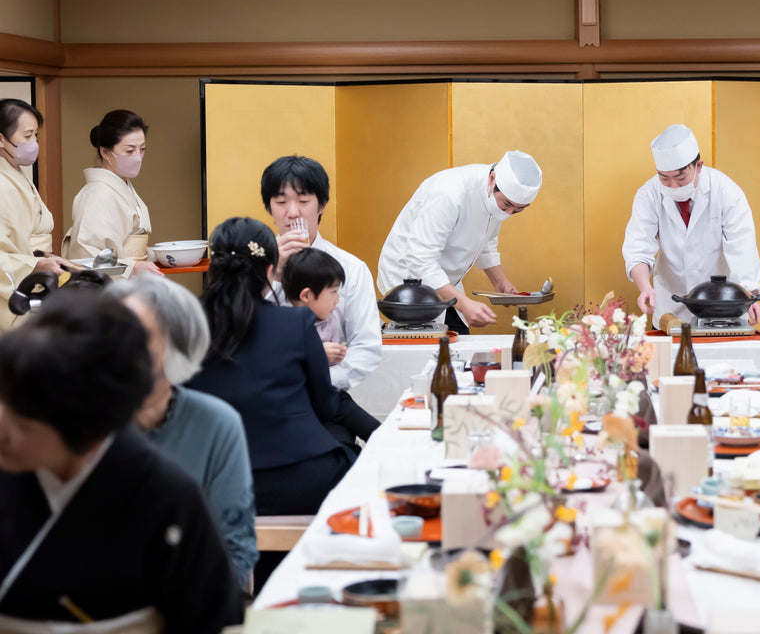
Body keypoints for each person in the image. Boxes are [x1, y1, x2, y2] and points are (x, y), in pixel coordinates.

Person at [0, 291, 243, 632]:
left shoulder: (167, 498)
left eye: (24, 424)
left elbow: (212, 621)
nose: (2, 429)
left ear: (89, 427)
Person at [187, 217, 354, 517]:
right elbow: (325, 406)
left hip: (213, 484)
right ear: (269, 271)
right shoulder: (295, 323)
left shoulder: (185, 325)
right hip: (300, 479)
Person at [107, 274, 257, 590]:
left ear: (176, 344)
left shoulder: (216, 425)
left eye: (142, 337)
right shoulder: (86, 422)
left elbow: (235, 547)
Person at [261, 155, 381, 447]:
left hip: (326, 402)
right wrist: (273, 273)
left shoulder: (350, 268)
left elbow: (366, 348)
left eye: (303, 201)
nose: (292, 213)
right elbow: (241, 334)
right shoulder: (254, 269)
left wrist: (317, 381)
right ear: (269, 208)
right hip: (265, 404)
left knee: (337, 449)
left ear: (322, 205)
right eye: (280, 202)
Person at [377, 150, 543, 334]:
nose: (509, 213)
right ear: (492, 179)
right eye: (506, 205)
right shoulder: (449, 193)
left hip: (444, 278)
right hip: (409, 277)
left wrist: (500, 282)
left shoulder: (495, 197)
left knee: (457, 336)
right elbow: (419, 259)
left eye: (518, 210)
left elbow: (486, 241)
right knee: (433, 345)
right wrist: (463, 304)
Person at [622, 123, 760, 327]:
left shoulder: (726, 192)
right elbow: (637, 247)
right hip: (670, 310)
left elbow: (742, 248)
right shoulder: (649, 194)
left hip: (722, 309)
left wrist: (749, 295)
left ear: (698, 166)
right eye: (664, 178)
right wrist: (645, 287)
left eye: (681, 178)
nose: (673, 186)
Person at [0, 98, 75, 329]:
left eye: (36, 136)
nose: (33, 143)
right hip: (18, 288)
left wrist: (44, 260)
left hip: (36, 276)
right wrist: (35, 265)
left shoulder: (16, 175)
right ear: (1, 139)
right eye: (27, 136)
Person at [62, 109, 161, 276]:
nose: (138, 157)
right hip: (110, 289)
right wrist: (132, 267)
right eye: (130, 150)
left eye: (142, 149)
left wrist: (156, 255)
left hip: (129, 282)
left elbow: (128, 247)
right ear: (106, 152)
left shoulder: (121, 188)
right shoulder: (97, 194)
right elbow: (87, 254)